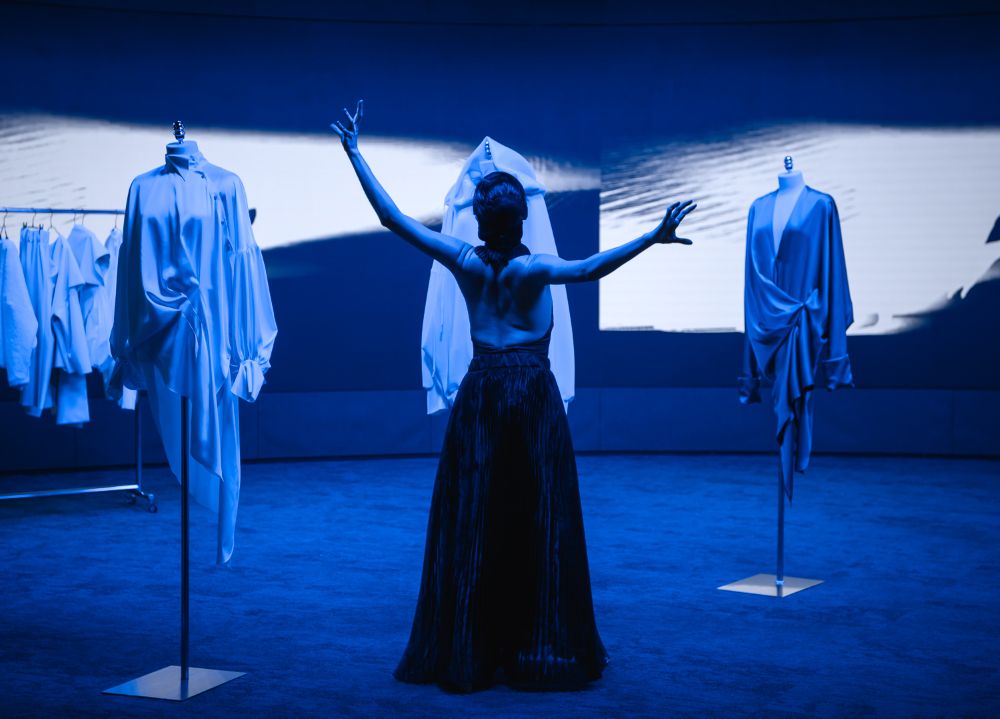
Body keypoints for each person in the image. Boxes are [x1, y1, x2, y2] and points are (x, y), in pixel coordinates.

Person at [332, 101, 696, 693]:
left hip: (481, 394)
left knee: (477, 515)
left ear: (477, 219)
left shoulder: (463, 262)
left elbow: (391, 218)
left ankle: (472, 645)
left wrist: (354, 152)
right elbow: (592, 268)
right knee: (537, 512)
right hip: (532, 396)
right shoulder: (536, 269)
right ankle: (540, 643)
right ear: (522, 218)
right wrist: (654, 236)